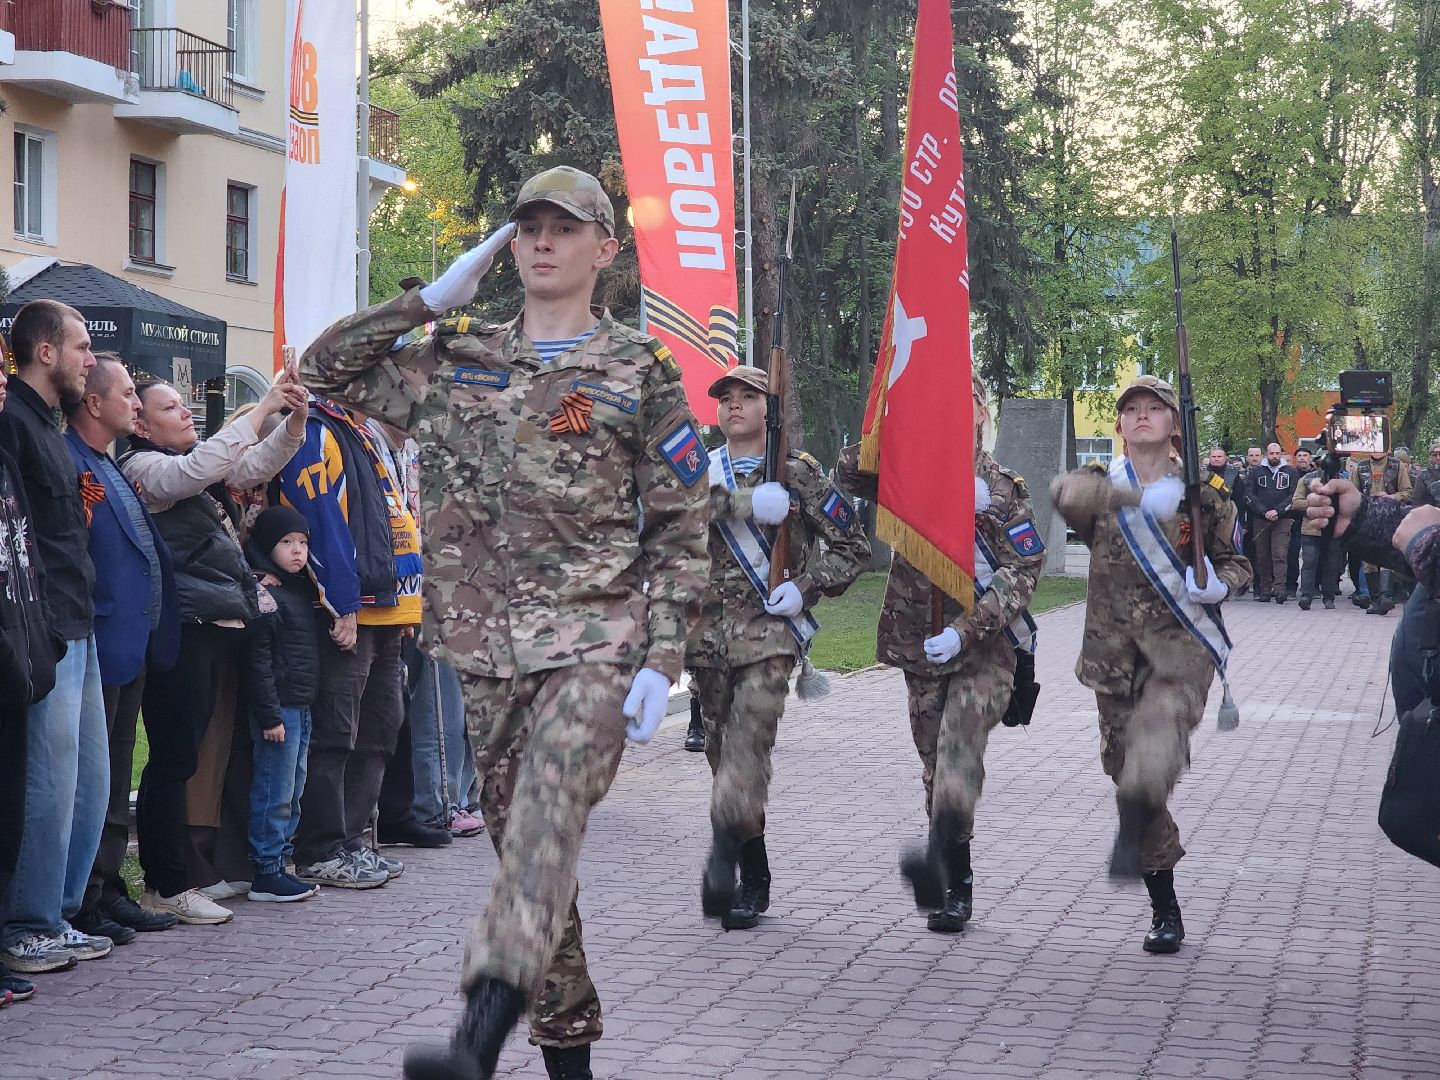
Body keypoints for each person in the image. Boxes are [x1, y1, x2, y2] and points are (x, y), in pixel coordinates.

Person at [298, 165, 709, 1080]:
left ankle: (478, 1032)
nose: (541, 242)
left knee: (548, 815)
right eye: (527, 226)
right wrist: (426, 300)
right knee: (532, 855)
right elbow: (319, 370)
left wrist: (663, 655)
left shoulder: (637, 370)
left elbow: (684, 525)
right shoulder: (457, 358)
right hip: (484, 654)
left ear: (606, 249)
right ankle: (570, 1062)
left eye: (564, 228)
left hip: (596, 646)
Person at [1051, 375, 1250, 954]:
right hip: (1112, 659)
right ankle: (1164, 898)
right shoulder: (1100, 484)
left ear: (1173, 425)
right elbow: (1065, 494)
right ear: (1118, 425)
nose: (1141, 416)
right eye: (1130, 409)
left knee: (1151, 761)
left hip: (1179, 657)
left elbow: (1235, 562)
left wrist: (1219, 585)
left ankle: (1160, 904)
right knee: (1126, 776)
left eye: (1153, 409)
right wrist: (1139, 498)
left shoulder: (1206, 497)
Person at [837, 375, 1040, 934]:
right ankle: (953, 864)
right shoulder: (908, 472)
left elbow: (1023, 571)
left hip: (983, 651)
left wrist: (970, 627)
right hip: (919, 643)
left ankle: (955, 883)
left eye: (964, 400)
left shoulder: (1002, 488)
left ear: (981, 412)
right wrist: (895, 414)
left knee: (955, 757)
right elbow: (850, 471)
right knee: (934, 768)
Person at [120, 372, 307, 924]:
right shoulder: (144, 469)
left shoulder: (188, 468)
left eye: (185, 406)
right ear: (140, 423)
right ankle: (166, 884)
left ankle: (183, 876)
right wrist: (263, 404)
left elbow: (250, 466)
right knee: (174, 757)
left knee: (189, 754)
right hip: (184, 628)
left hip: (215, 623)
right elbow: (201, 468)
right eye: (172, 407)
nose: (186, 414)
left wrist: (293, 418)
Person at [688, 365, 870, 931]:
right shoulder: (696, 469)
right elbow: (663, 520)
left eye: (749, 397)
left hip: (767, 637)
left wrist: (805, 587)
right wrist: (741, 506)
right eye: (727, 398)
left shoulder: (797, 472)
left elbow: (849, 544)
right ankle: (754, 868)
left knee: (747, 748)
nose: (735, 407)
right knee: (723, 757)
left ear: (771, 410)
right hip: (707, 639)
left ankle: (730, 866)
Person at [277, 394, 431, 892]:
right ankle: (319, 848)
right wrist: (342, 601)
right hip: (352, 611)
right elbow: (322, 522)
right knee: (336, 733)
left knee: (381, 729)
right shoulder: (321, 431)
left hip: (386, 610)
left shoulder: (363, 433)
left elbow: (392, 522)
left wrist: (407, 604)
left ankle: (349, 841)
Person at [0, 299, 112, 976]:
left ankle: (60, 912)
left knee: (89, 782)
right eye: (81, 347)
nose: (90, 359)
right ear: (46, 352)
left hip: (80, 616)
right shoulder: (14, 422)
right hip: (46, 627)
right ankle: (29, 921)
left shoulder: (49, 423)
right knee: (47, 781)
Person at [63, 356, 183, 944]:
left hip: (128, 643)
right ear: (93, 402)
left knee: (111, 778)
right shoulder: (73, 461)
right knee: (94, 780)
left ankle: (108, 889)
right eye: (129, 394)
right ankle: (84, 896)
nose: (136, 403)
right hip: (101, 642)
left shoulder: (108, 466)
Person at [0, 359, 64, 1003]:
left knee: (10, 813)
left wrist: (33, 640)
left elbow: (26, 550)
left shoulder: (6, 452)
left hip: (20, 654)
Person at [241, 505, 330, 903]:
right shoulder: (267, 596)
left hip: (301, 705)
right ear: (265, 546)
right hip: (280, 711)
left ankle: (284, 860)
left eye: (303, 543)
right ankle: (266, 868)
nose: (297, 551)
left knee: (293, 788)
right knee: (274, 789)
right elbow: (257, 663)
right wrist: (270, 715)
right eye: (286, 542)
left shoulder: (298, 590)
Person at [1244, 442, 1298, 603]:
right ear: (1266, 454)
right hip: (1260, 519)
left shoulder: (1291, 472)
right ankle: (1265, 589)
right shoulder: (1256, 471)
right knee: (1262, 556)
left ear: (1280, 453)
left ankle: (1280, 589)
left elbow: (1293, 495)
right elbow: (1249, 494)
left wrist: (1278, 511)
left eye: (1277, 453)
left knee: (1279, 554)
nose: (1274, 456)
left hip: (1283, 519)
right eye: (1271, 453)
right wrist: (1263, 511)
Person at [1291, 450, 1338, 610]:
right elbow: (1296, 502)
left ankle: (1329, 597)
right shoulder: (1306, 480)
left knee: (1331, 565)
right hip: (1310, 528)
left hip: (1333, 530)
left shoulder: (1342, 481)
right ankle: (1306, 595)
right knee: (1309, 563)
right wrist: (1316, 504)